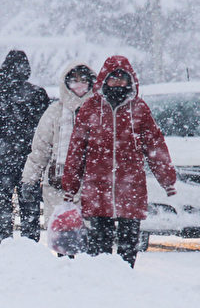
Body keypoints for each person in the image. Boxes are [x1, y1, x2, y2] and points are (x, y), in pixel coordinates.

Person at [61, 55, 177, 268]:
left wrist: (167, 179)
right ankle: (102, 288)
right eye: (113, 79)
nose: (117, 83)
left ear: (130, 81)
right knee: (99, 249)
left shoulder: (139, 109)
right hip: (98, 189)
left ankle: (126, 284)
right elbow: (76, 150)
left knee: (128, 249)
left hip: (130, 189)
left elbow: (155, 146)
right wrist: (70, 185)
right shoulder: (90, 109)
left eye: (122, 79)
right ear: (104, 80)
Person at [0, 50, 50, 243]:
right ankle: (29, 241)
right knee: (30, 200)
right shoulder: (38, 94)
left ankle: (2, 240)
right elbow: (46, 129)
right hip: (30, 157)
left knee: (2, 199)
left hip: (3, 156)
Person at [21, 62, 96, 230]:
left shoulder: (99, 112)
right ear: (66, 82)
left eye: (83, 79)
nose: (79, 84)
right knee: (61, 234)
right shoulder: (54, 112)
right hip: (58, 184)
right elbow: (40, 150)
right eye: (74, 80)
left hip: (91, 185)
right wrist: (29, 180)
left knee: (90, 238)